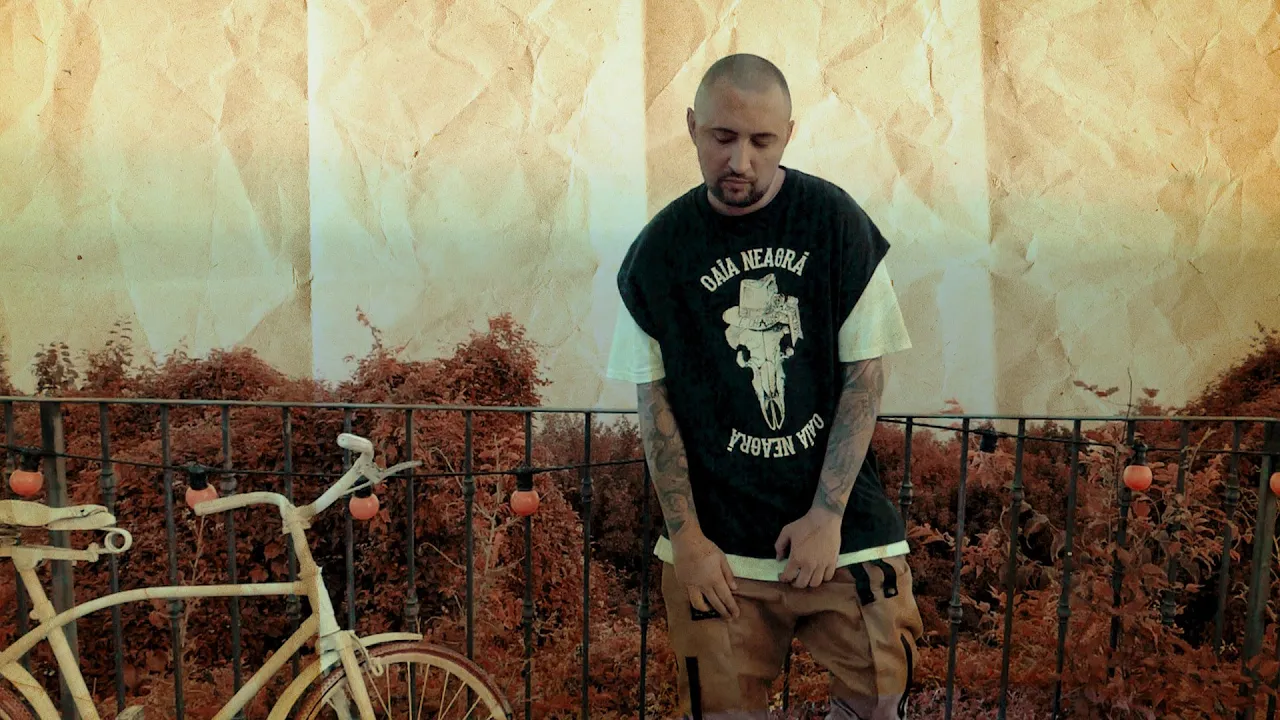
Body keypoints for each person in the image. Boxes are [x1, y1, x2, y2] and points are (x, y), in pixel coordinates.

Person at [605, 54, 924, 719]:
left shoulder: (834, 223)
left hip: (845, 538)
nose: (740, 161)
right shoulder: (658, 254)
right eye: (722, 137)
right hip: (719, 557)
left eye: (762, 141)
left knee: (881, 700)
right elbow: (654, 404)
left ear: (789, 135)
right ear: (692, 126)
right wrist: (687, 541)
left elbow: (864, 377)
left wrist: (827, 516)